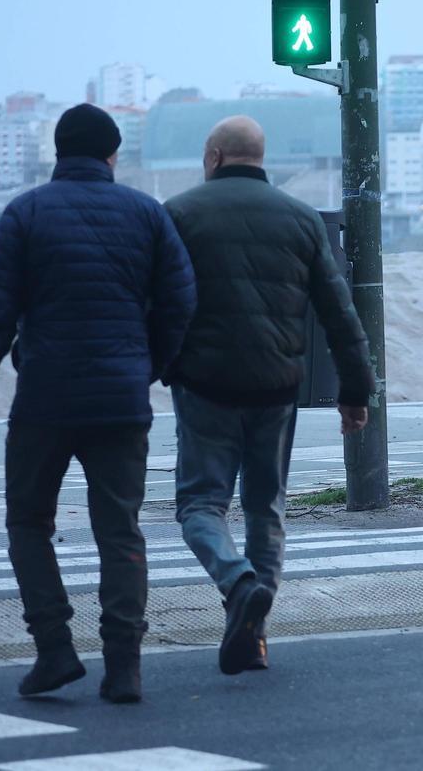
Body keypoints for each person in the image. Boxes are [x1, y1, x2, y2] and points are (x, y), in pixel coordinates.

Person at [0, 104, 196, 703]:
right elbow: (181, 302)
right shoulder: (146, 214)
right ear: (112, 155)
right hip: (120, 404)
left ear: (59, 152)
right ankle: (124, 666)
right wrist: (147, 367)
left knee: (29, 523)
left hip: (44, 404)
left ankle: (55, 650)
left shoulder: (25, 213)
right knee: (120, 532)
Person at [164, 115, 373, 675]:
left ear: (213, 156)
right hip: (276, 388)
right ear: (262, 158)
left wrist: (161, 368)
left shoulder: (180, 215)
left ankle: (237, 583)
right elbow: (339, 312)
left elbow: (155, 304)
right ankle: (253, 635)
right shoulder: (301, 219)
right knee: (265, 508)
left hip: (204, 386)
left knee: (201, 504)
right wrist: (355, 392)